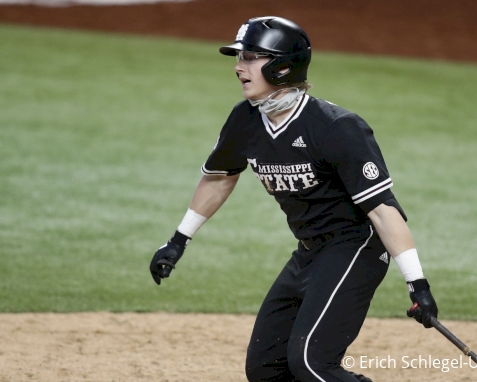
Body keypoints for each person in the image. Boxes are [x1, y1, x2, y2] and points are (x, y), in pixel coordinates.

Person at [150, 16, 438, 382]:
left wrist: (419, 285)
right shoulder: (246, 121)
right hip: (308, 252)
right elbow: (219, 178)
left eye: (251, 57)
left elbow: (383, 210)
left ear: (283, 66)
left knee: (312, 364)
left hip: (355, 248)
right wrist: (178, 241)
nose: (239, 66)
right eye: (239, 57)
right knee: (265, 369)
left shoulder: (335, 127)